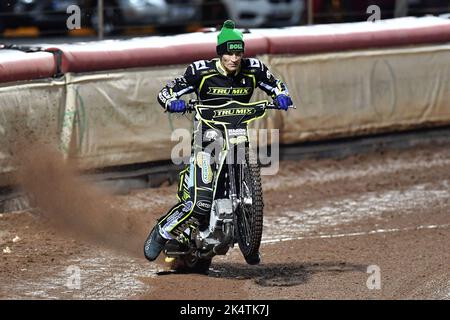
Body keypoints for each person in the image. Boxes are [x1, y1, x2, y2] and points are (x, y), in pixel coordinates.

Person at [144, 20, 293, 265]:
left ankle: (248, 239)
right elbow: (165, 92)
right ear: (220, 52)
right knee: (200, 203)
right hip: (208, 141)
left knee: (246, 190)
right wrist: (172, 102)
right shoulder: (200, 71)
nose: (234, 58)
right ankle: (162, 231)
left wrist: (282, 95)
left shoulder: (254, 69)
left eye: (238, 53)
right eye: (229, 53)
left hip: (238, 136)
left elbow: (276, 85)